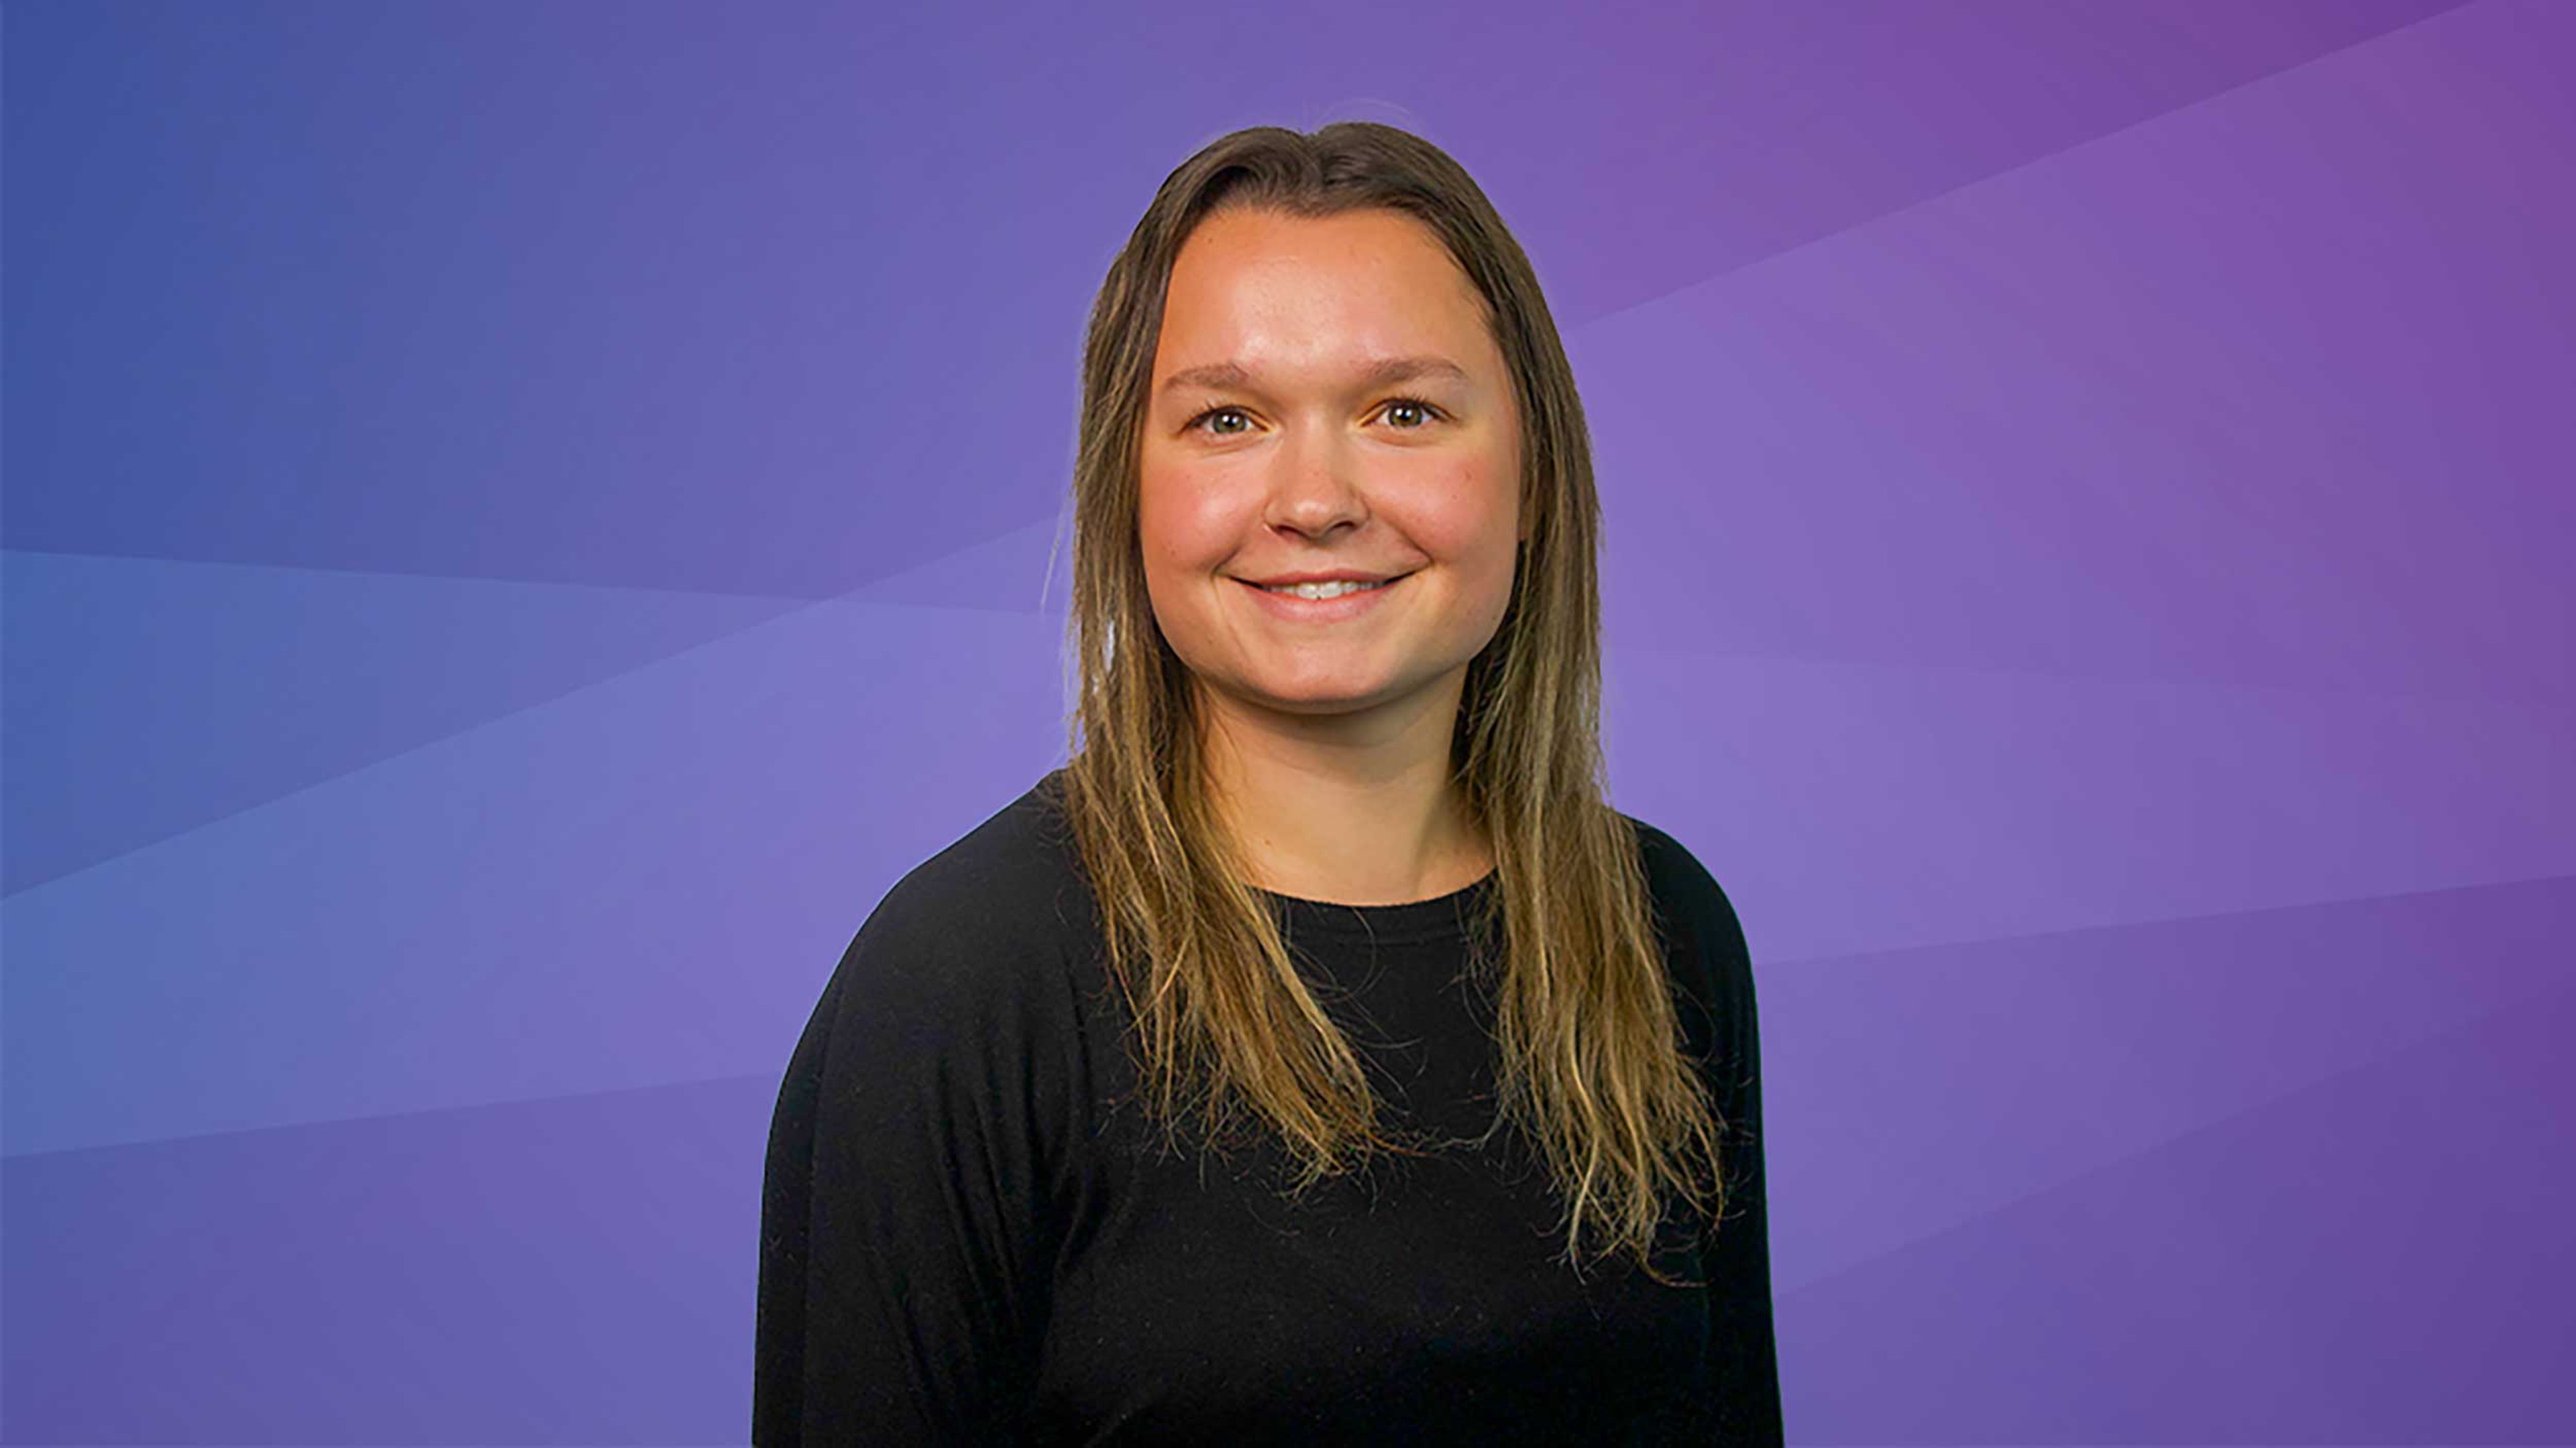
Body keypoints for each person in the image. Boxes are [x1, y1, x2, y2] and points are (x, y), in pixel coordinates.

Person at [755, 121, 1782, 1443]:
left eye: (1403, 411)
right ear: (1129, 486)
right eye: (1228, 419)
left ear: (1531, 476)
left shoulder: (1663, 932)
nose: (1314, 498)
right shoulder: (963, 987)